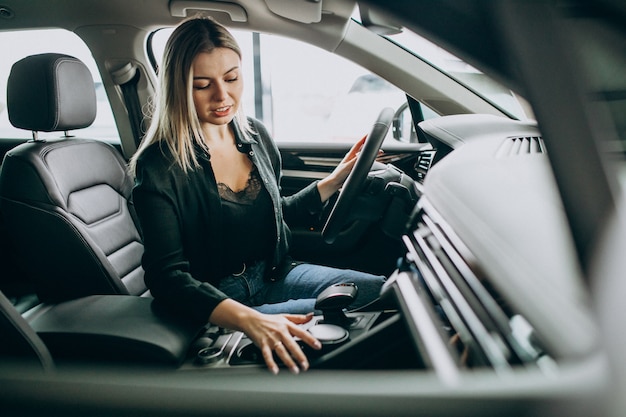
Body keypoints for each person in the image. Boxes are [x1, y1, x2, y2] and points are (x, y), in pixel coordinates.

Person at [129, 16, 385, 375]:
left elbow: (274, 215)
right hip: (219, 300)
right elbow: (167, 277)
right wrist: (249, 320)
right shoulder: (159, 167)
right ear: (178, 87)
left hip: (275, 274)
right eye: (203, 85)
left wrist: (336, 180)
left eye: (231, 78)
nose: (223, 96)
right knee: (336, 320)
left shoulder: (254, 137)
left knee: (382, 292)